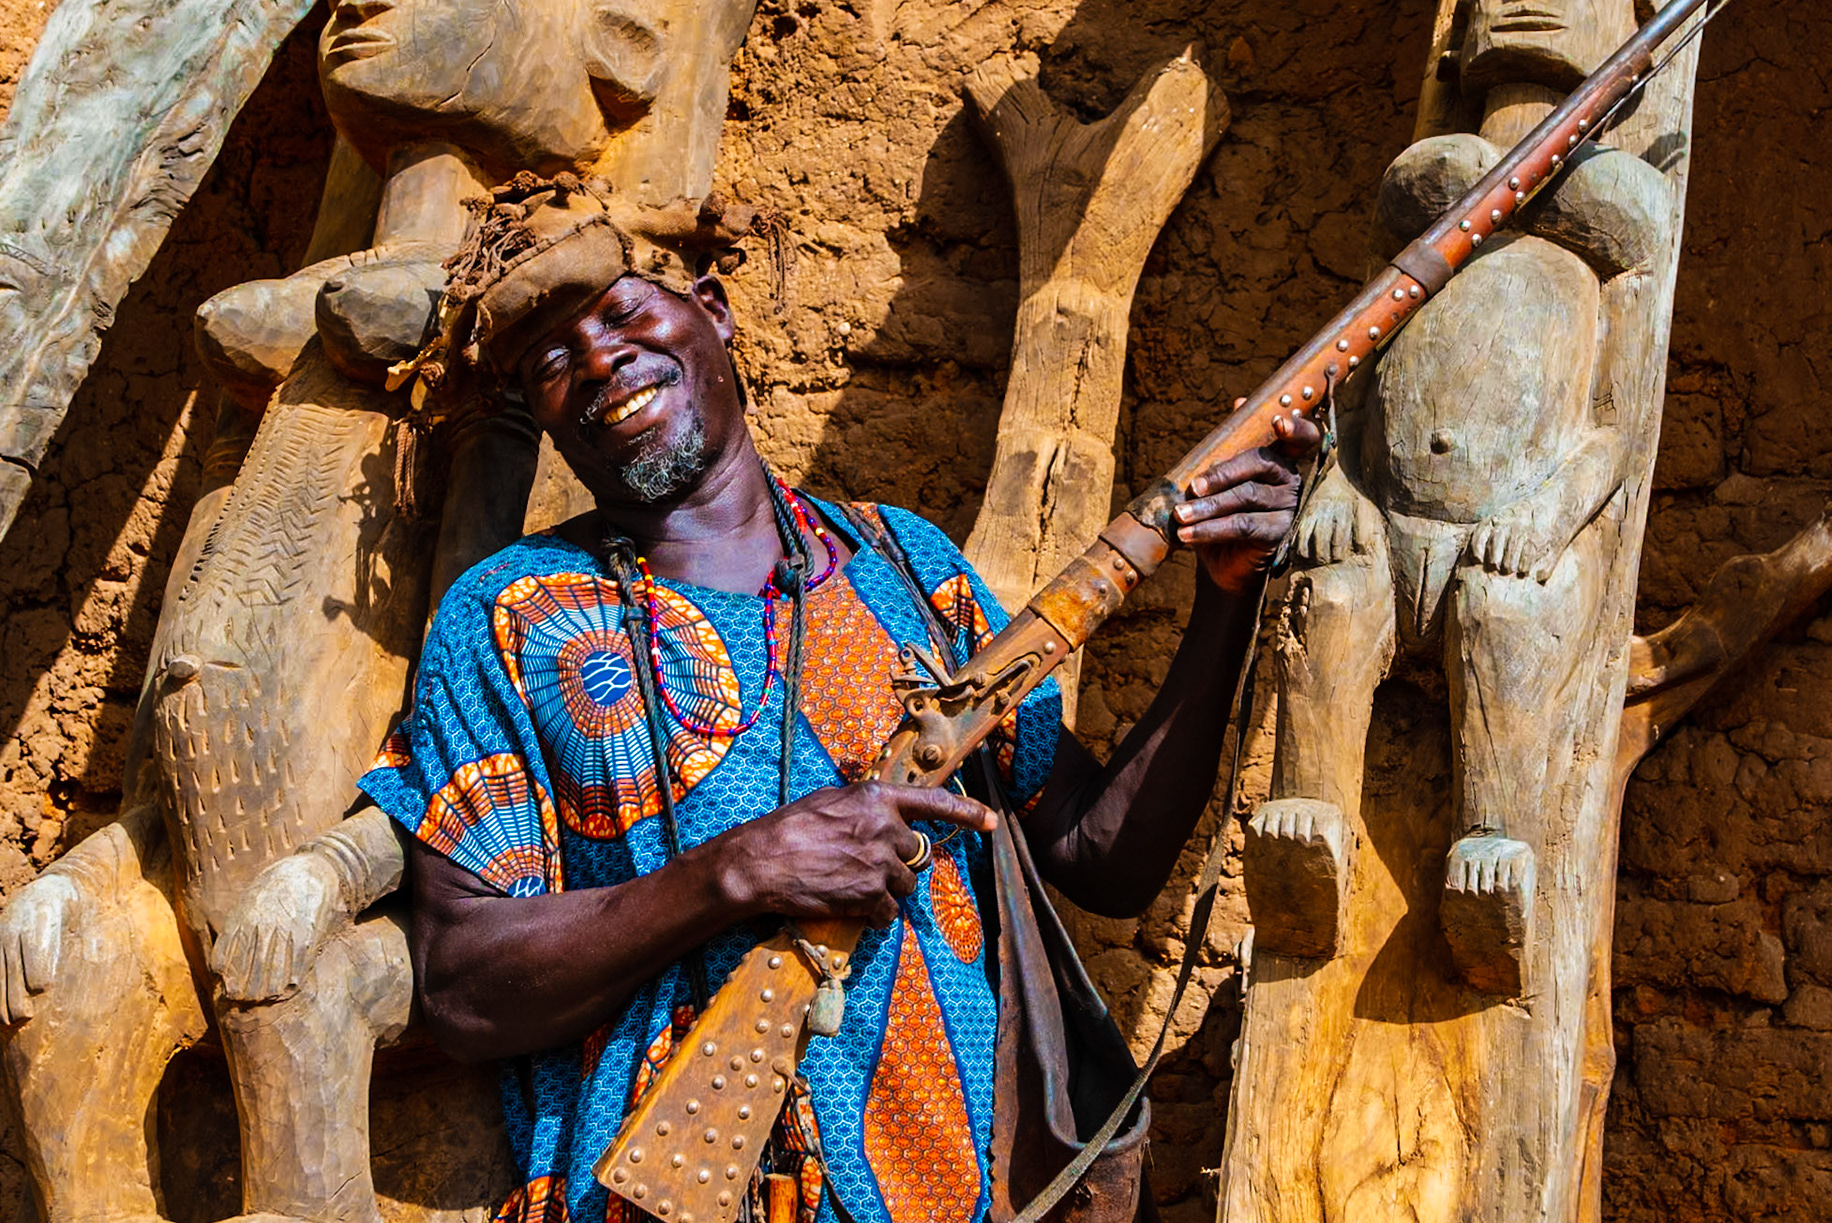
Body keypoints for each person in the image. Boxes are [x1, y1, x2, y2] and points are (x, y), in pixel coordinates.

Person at [362, 175, 1318, 1223]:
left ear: (712, 314)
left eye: (626, 310)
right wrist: (737, 870)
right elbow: (462, 982)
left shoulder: (907, 563)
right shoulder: (503, 617)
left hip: (971, 1186)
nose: (598, 359)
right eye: (551, 360)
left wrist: (1226, 597)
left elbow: (1103, 854)